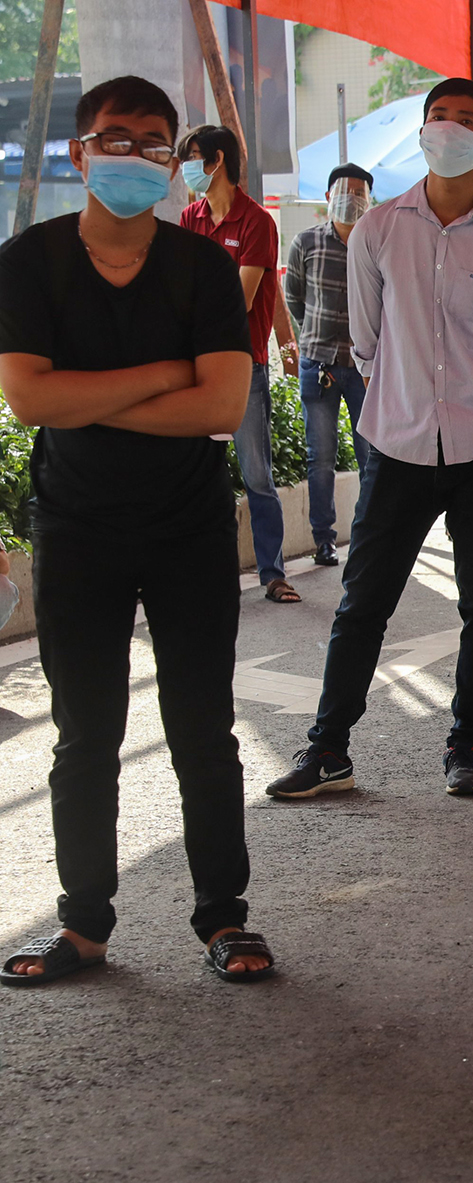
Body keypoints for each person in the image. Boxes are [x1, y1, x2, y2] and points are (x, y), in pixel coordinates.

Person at [0, 75, 271, 983]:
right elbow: (30, 395)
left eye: (156, 144)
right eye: (115, 139)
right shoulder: (31, 259)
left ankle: (223, 917)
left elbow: (223, 406)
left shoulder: (199, 265)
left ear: (175, 161)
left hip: (187, 526)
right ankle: (83, 926)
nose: (136, 156)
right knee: (85, 734)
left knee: (204, 729)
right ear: (80, 153)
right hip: (76, 527)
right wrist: (164, 374)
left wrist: (93, 399)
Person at [267, 78, 473, 801]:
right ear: (423, 134)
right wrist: (410, 393)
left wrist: (467, 389)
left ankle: (466, 745)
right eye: (437, 119)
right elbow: (364, 340)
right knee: (365, 602)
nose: (447, 131)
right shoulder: (380, 229)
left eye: (464, 122)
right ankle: (329, 748)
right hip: (396, 444)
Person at [176, 123, 294, 603]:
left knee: (257, 475)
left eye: (192, 157)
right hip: (194, 368)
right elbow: (181, 290)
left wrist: (197, 297)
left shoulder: (257, 223)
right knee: (197, 474)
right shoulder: (190, 218)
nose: (185, 168)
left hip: (244, 367)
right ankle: (203, 571)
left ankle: (273, 573)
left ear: (217, 160)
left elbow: (239, 301)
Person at [284, 161, 373, 570]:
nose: (351, 199)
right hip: (317, 363)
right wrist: (311, 338)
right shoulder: (306, 243)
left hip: (364, 366)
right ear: (327, 197)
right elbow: (294, 299)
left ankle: (371, 534)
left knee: (370, 451)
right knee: (320, 457)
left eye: (359, 192)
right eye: (344, 191)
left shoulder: (376, 247)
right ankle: (324, 539)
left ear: (369, 201)